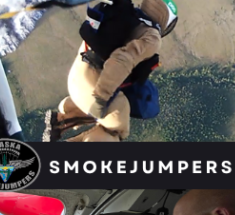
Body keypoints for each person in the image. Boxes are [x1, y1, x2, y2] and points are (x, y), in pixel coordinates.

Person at [44, 0, 178, 142]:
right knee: (117, 131)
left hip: (76, 77)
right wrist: (101, 97)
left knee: (108, 113)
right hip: (94, 88)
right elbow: (120, 61)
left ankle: (61, 120)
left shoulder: (124, 15)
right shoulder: (151, 37)